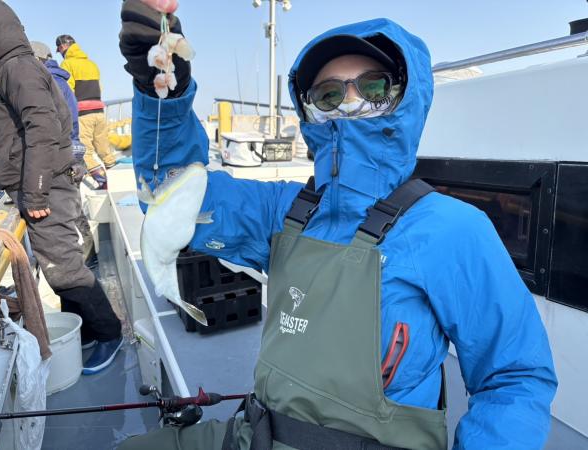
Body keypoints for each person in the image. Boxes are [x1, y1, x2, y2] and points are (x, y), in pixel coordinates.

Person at [118, 2, 557, 449]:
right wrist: (162, 87)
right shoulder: (285, 210)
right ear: (310, 111)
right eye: (328, 94)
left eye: (372, 87)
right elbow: (172, 197)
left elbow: (515, 375)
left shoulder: (453, 229)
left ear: (405, 97)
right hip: (256, 436)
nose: (349, 103)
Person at [0, 0, 123, 375]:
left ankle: (109, 333)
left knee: (63, 268)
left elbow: (43, 128)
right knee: (60, 265)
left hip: (46, 189)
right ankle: (87, 334)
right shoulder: (10, 70)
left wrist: (34, 192)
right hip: (41, 185)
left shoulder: (16, 68)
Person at [30, 40, 98, 260]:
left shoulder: (46, 81)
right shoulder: (60, 80)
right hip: (73, 149)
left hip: (63, 152)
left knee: (67, 210)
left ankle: (84, 259)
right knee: (73, 207)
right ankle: (88, 256)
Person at [55, 33, 116, 186]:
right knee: (104, 150)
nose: (60, 53)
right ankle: (116, 180)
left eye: (59, 49)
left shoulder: (67, 64)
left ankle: (104, 182)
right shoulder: (91, 64)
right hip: (99, 111)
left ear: (63, 47)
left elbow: (67, 92)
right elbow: (100, 87)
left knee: (85, 152)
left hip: (83, 114)